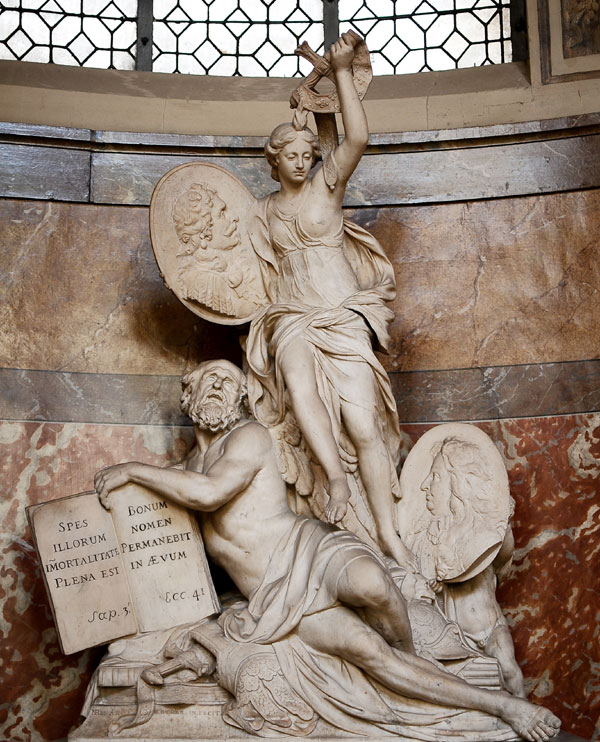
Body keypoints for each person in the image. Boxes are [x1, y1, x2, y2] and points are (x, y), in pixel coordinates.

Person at [94, 360, 560, 742]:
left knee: (371, 583)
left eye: (229, 382)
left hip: (309, 549)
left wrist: (133, 469)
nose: (218, 386)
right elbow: (160, 554)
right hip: (275, 600)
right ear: (187, 395)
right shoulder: (181, 473)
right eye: (209, 379)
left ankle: (419, 662)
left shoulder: (247, 437)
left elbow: (211, 493)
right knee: (370, 653)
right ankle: (499, 705)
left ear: (240, 402)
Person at [244, 33, 416, 570]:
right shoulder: (260, 212)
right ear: (273, 162)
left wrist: (340, 72)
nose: (301, 162)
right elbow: (229, 264)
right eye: (290, 156)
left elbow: (357, 136)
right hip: (293, 316)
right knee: (296, 383)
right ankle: (336, 483)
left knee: (364, 427)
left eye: (306, 155)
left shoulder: (328, 189)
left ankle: (388, 534)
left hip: (341, 315)